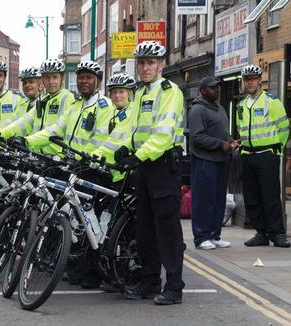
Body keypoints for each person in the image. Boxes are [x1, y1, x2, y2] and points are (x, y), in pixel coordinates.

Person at [25, 60, 116, 289]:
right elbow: (55, 130)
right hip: (76, 168)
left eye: (89, 77)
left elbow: (104, 138)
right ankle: (77, 264)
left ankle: (94, 269)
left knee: (90, 222)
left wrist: (91, 156)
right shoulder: (75, 106)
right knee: (73, 218)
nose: (84, 81)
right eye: (81, 77)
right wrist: (28, 141)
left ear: (98, 81)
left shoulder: (104, 106)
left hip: (96, 170)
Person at [115, 41, 186, 305]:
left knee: (166, 229)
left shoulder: (169, 91)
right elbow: (130, 129)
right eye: (141, 63)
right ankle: (149, 281)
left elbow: (163, 134)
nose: (145, 67)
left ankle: (175, 287)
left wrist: (137, 156)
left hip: (162, 167)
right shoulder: (140, 93)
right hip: (143, 166)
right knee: (144, 228)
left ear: (160, 65)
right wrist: (123, 149)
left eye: (150, 63)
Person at [237, 64, 290, 248]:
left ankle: (278, 234)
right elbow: (241, 129)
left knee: (270, 196)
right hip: (248, 156)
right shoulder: (241, 105)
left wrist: (277, 148)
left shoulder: (271, 101)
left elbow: (284, 128)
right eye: (246, 79)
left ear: (260, 80)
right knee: (252, 197)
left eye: (253, 78)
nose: (249, 82)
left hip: (267, 154)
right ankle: (261, 233)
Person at [189, 76, 235, 250]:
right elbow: (197, 137)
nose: (217, 90)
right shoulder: (197, 110)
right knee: (203, 200)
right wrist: (220, 144)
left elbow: (223, 132)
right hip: (204, 161)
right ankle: (201, 237)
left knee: (218, 200)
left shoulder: (220, 109)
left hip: (220, 160)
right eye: (212, 88)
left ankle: (215, 235)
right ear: (203, 90)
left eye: (217, 87)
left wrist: (230, 141)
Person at [0, 60, 76, 154]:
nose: (50, 81)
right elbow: (24, 122)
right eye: (47, 77)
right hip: (39, 157)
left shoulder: (68, 98)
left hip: (57, 158)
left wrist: (27, 141)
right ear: (42, 80)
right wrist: (1, 134)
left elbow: (58, 129)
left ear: (62, 78)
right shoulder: (44, 99)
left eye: (55, 77)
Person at [92, 72, 138, 182]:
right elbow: (100, 137)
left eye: (121, 92)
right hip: (111, 171)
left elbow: (114, 142)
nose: (117, 96)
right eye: (114, 92)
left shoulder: (132, 112)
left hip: (125, 174)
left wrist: (94, 156)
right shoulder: (111, 112)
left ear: (129, 94)